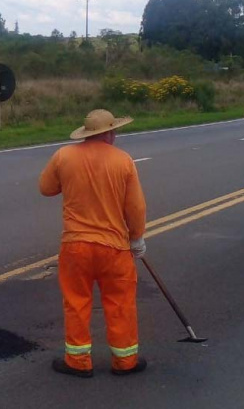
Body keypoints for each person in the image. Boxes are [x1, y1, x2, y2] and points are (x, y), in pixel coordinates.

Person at [39, 109, 148, 378]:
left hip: (76, 245)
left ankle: (78, 362)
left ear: (87, 134)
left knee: (76, 302)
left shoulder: (64, 155)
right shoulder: (123, 161)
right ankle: (125, 362)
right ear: (109, 133)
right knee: (120, 303)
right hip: (114, 248)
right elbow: (135, 207)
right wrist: (137, 237)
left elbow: (46, 188)